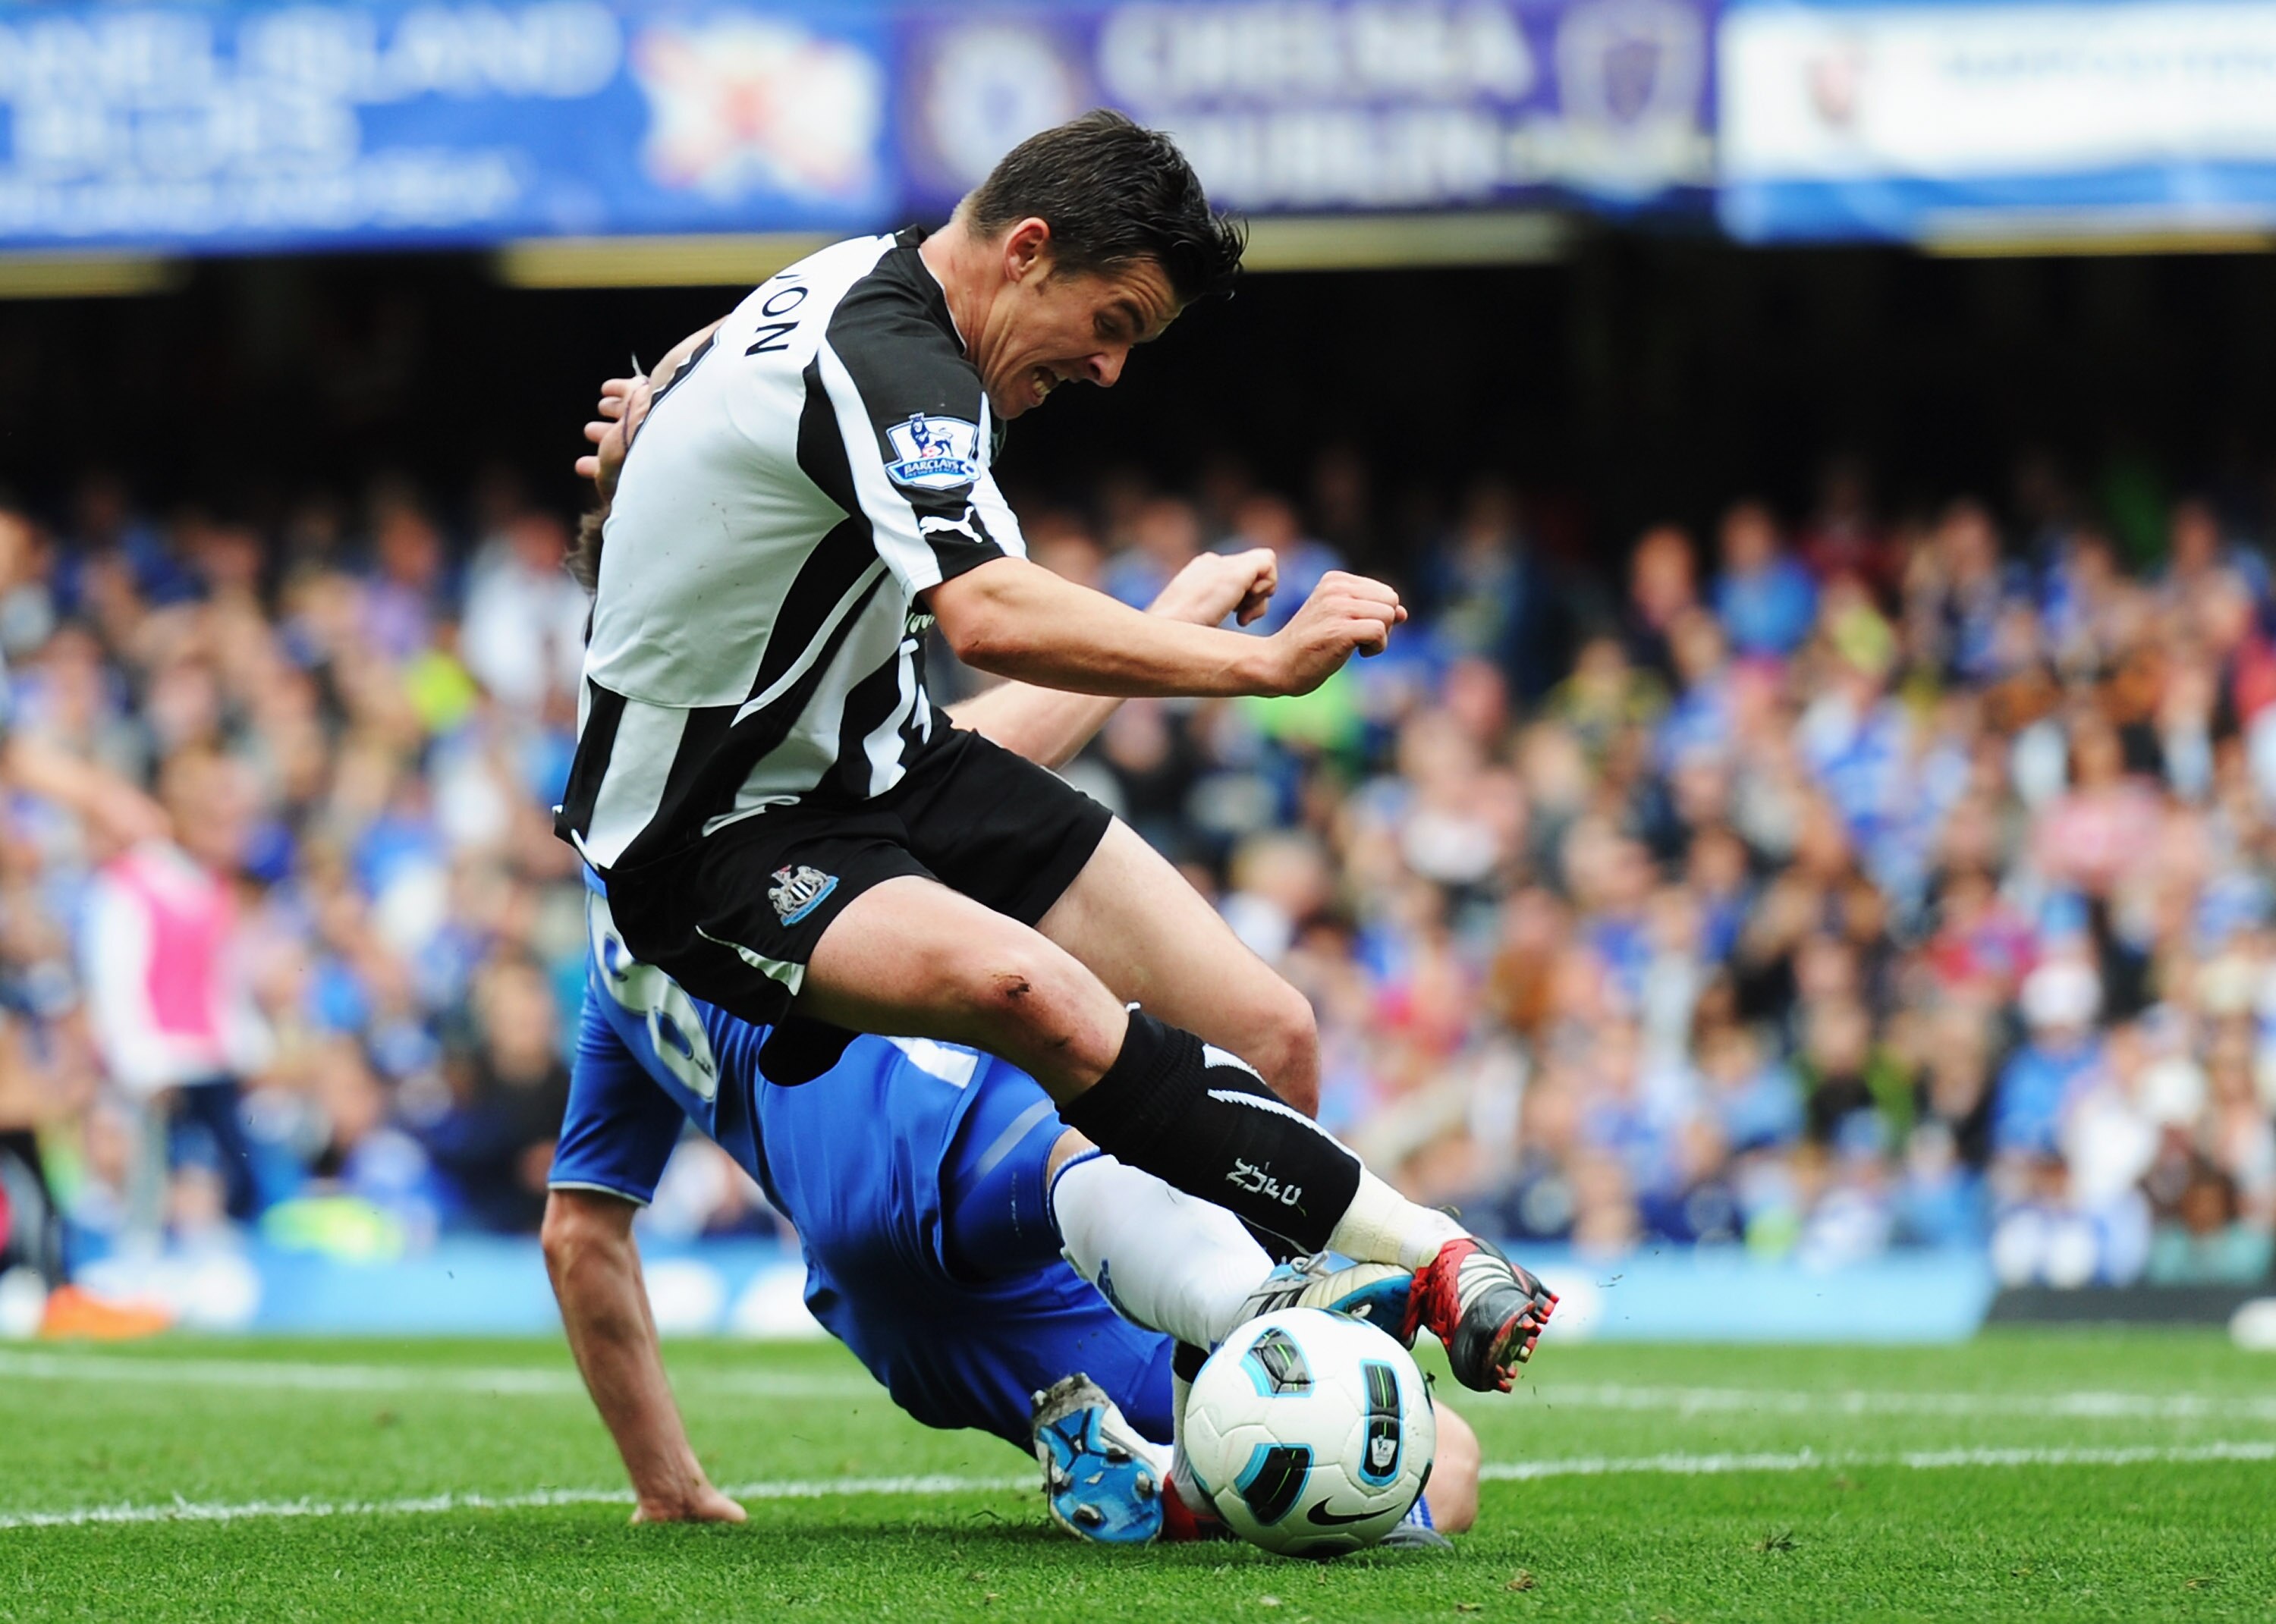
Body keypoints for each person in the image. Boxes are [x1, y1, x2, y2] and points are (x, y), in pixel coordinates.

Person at [561, 111, 1551, 1393]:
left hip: (893, 766)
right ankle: (1433, 1256)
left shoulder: (877, 289)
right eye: (1115, 321)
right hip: (719, 838)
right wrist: (1256, 666)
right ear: (1027, 249)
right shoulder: (893, 357)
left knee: (1273, 1031)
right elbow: (988, 611)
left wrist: (660, 410)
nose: (1111, 367)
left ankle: (1249, 1413)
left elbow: (723, 354)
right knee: (1041, 1001)